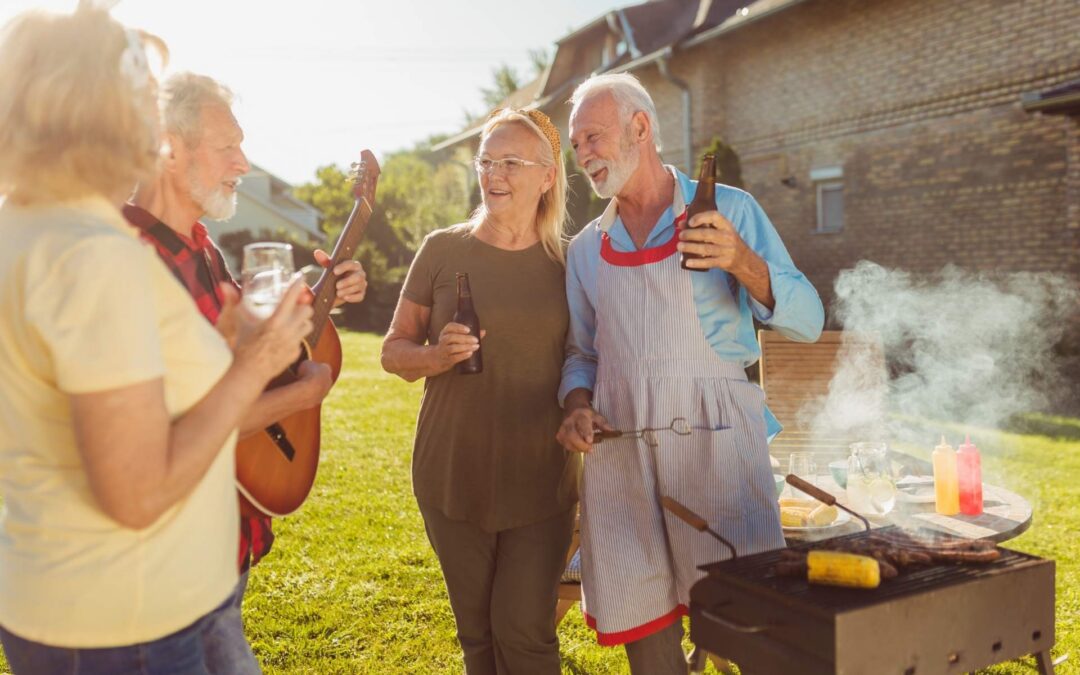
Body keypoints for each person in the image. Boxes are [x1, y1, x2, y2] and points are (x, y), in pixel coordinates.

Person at [0, 5, 312, 674]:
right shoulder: (94, 254)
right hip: (132, 623)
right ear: (100, 111)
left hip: (74, 606)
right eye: (145, 97)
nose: (156, 119)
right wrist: (253, 363)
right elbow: (136, 493)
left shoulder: (25, 224)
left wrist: (225, 349)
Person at [556, 73, 825, 674]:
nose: (584, 157)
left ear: (641, 128)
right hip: (621, 458)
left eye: (593, 138)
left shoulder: (729, 210)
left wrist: (742, 261)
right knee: (649, 644)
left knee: (750, 634)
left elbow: (808, 319)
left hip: (717, 454)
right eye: (577, 147)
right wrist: (576, 403)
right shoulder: (585, 250)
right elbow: (581, 354)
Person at [124, 71, 368, 673]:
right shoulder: (126, 262)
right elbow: (166, 435)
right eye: (227, 146)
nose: (244, 162)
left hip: (219, 549)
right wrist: (304, 395)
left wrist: (319, 299)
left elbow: (250, 359)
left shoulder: (202, 248)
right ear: (168, 146)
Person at [381, 108, 577, 674]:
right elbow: (394, 350)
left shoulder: (569, 264)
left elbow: (586, 360)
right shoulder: (444, 250)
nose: (494, 173)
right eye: (486, 161)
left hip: (540, 479)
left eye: (511, 162)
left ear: (547, 176)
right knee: (478, 638)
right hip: (451, 474)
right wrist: (435, 357)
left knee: (526, 634)